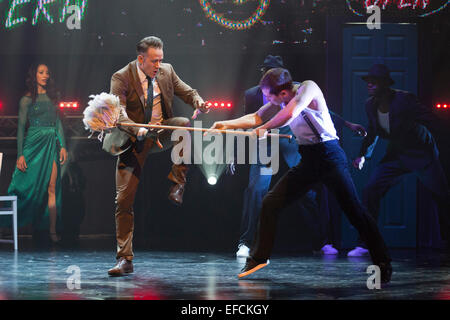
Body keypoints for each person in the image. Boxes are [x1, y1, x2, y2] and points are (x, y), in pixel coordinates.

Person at [210, 68, 392, 283]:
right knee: (271, 202)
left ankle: (382, 262)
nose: (268, 99)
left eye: (269, 96)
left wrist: (264, 128)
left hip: (329, 157)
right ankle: (260, 257)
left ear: (283, 94)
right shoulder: (281, 102)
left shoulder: (308, 88)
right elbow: (257, 116)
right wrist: (225, 124)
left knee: (355, 211)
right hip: (308, 159)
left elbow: (290, 114)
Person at [236, 55, 367, 258]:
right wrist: (234, 150)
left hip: (291, 140)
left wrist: (347, 124)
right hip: (265, 143)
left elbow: (321, 110)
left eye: (274, 72)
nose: (269, 75)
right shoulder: (253, 94)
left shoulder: (294, 90)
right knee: (257, 189)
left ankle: (320, 242)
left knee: (307, 193)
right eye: (267, 71)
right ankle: (246, 242)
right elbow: (249, 119)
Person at [103, 36, 209, 276]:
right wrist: (137, 128)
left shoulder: (167, 70)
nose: (158, 65)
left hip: (160, 131)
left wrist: (198, 102)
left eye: (161, 60)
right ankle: (125, 259)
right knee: (123, 201)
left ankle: (178, 184)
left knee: (183, 125)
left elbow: (186, 91)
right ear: (141, 59)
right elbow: (118, 114)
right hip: (133, 139)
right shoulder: (121, 77)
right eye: (154, 61)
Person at [348, 64, 450, 256]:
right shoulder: (370, 105)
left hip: (421, 153)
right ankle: (365, 243)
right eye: (368, 81)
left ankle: (446, 240)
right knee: (371, 190)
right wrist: (363, 155)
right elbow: (373, 132)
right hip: (397, 154)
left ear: (385, 84)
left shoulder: (405, 100)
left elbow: (430, 120)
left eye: (374, 81)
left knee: (442, 196)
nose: (369, 84)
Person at [0, 63, 67, 244]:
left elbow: (58, 123)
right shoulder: (26, 100)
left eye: (47, 72)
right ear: (34, 75)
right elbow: (21, 128)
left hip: (51, 144)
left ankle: (52, 230)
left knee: (52, 187)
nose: (45, 75)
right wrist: (20, 154)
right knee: (22, 186)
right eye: (41, 72)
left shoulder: (54, 98)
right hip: (33, 144)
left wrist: (63, 146)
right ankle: (7, 224)